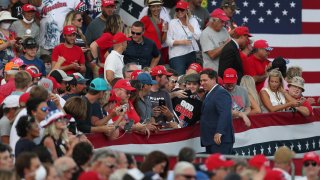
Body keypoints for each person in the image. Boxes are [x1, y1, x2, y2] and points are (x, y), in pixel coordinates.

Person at [199, 69, 234, 154]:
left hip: (220, 140)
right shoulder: (209, 93)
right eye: (201, 81)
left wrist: (219, 131)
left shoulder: (221, 93)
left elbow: (225, 113)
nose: (202, 83)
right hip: (211, 140)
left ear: (214, 79)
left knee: (221, 166)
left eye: (205, 80)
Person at [166, 0, 201, 75]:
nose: (179, 12)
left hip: (191, 53)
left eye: (182, 9)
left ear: (187, 10)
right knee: (179, 78)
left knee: (192, 77)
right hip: (177, 56)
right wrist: (182, 42)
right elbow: (168, 41)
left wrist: (188, 24)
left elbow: (198, 36)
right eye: (177, 10)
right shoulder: (173, 22)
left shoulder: (193, 21)